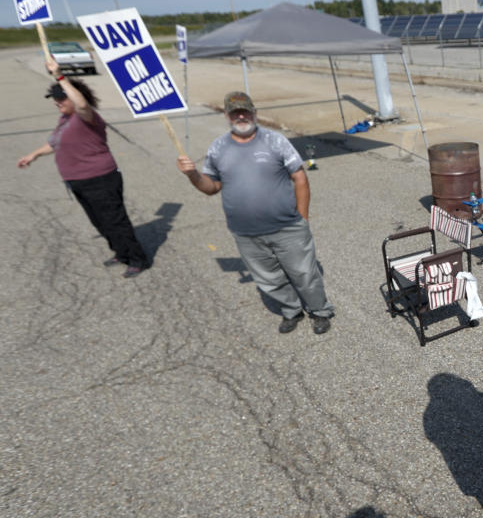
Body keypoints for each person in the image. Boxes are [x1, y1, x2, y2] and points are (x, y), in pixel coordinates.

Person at [176, 91, 334, 335]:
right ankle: (291, 311)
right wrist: (192, 175)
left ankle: (320, 311)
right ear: (227, 116)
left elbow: (300, 177)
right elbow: (212, 188)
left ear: (254, 113)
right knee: (269, 279)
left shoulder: (275, 140)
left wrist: (303, 218)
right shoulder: (217, 148)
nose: (241, 116)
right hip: (246, 233)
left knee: (304, 273)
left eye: (245, 110)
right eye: (235, 112)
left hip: (288, 227)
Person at [17, 60, 148, 278]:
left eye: (61, 98)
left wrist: (60, 76)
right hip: (77, 181)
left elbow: (83, 105)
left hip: (100, 178)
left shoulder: (87, 117)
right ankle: (121, 253)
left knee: (115, 220)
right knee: (99, 221)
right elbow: (54, 142)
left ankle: (138, 259)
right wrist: (34, 154)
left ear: (74, 97)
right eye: (54, 99)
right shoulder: (65, 119)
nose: (56, 103)